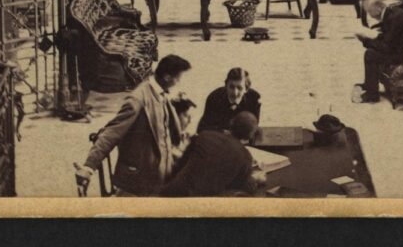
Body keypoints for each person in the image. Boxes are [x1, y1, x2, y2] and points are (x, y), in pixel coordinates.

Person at [76, 55, 192, 196]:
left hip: (159, 181)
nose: (179, 82)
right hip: (139, 184)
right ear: (167, 77)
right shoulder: (138, 99)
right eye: (178, 78)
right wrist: (89, 166)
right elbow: (112, 132)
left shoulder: (162, 94)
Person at [160, 111, 266, 197]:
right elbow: (246, 187)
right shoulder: (246, 157)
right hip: (199, 205)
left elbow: (181, 164)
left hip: (172, 192)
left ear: (231, 123)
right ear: (250, 136)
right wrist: (256, 179)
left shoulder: (204, 136)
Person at [356, 0, 403, 103]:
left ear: (379, 8)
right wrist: (373, 38)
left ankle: (372, 95)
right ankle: (369, 85)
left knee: (370, 54)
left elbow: (387, 47)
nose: (370, 15)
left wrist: (366, 41)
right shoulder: (391, 13)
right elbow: (389, 38)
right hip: (402, 47)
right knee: (372, 51)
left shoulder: (395, 18)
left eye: (370, 11)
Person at [199, 67, 263, 133]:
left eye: (239, 88)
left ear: (246, 89)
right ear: (226, 86)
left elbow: (253, 128)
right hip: (219, 137)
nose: (235, 92)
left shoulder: (254, 99)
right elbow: (205, 127)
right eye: (231, 87)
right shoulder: (214, 98)